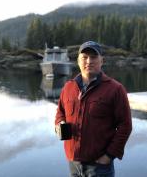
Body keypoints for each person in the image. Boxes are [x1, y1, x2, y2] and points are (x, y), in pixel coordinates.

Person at [55, 41, 132, 177]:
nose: (89, 61)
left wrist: (109, 155)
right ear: (78, 61)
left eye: (94, 57)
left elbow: (125, 126)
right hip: (73, 163)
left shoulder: (115, 89)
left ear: (101, 61)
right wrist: (59, 124)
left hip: (99, 167)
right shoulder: (68, 87)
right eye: (84, 57)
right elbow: (60, 112)